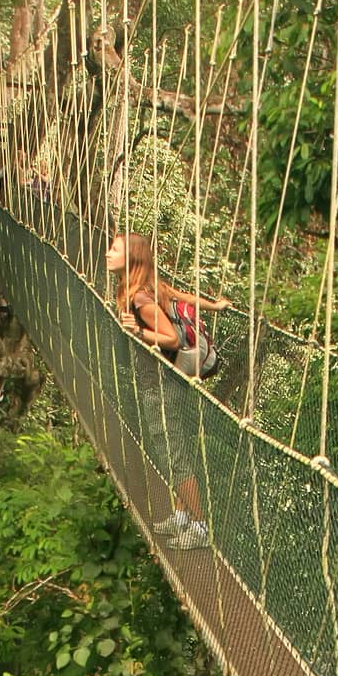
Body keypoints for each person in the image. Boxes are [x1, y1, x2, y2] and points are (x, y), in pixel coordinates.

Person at [105, 231, 229, 550]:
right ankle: (181, 515)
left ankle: (200, 525)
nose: (107, 253)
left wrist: (140, 332)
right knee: (173, 450)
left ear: (131, 258)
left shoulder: (141, 300)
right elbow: (182, 296)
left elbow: (171, 339)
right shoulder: (146, 286)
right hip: (166, 381)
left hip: (160, 385)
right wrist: (213, 306)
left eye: (114, 249)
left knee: (174, 454)